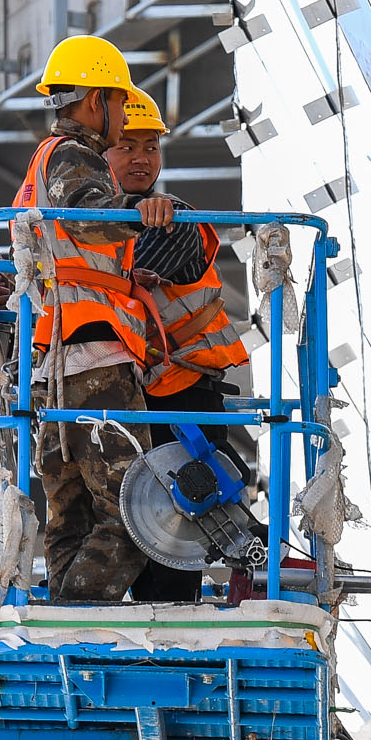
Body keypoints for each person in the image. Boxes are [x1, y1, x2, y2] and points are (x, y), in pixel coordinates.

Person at [14, 36, 174, 601]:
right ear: (94, 101)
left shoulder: (40, 165)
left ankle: (60, 626)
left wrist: (126, 280)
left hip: (51, 369)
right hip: (95, 363)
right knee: (137, 517)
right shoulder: (73, 156)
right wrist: (140, 211)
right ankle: (76, 615)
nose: (120, 114)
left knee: (70, 516)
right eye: (116, 100)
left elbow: (65, 256)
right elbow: (87, 215)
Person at [105, 88, 247, 603]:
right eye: (127, 146)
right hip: (142, 393)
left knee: (183, 510)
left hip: (183, 390)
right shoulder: (95, 224)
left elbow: (120, 276)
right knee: (142, 513)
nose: (142, 157)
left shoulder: (171, 219)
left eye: (151, 147)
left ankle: (186, 606)